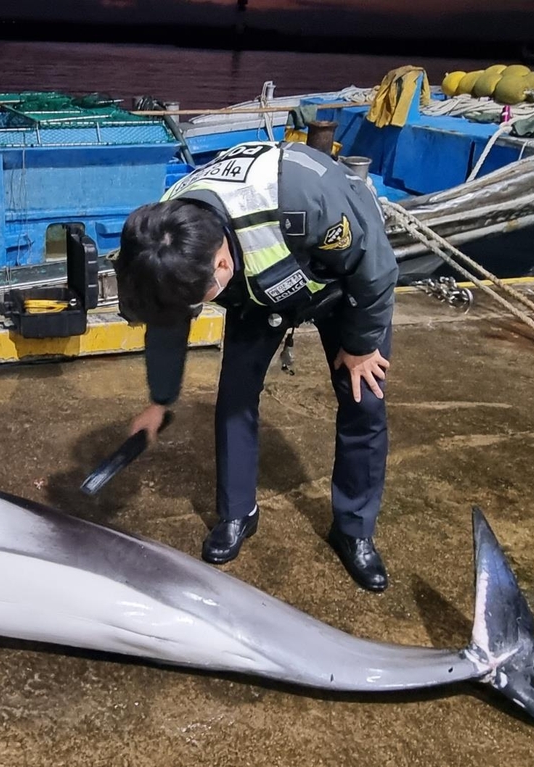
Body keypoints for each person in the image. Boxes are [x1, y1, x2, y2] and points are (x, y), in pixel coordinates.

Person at [113, 139, 398, 592]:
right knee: (234, 400)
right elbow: (168, 315)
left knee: (364, 400)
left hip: (343, 282)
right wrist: (160, 399)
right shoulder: (165, 235)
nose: (193, 310)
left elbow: (374, 264)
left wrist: (361, 345)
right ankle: (237, 513)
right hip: (261, 289)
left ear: (221, 262)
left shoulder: (305, 197)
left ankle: (354, 529)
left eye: (198, 301)